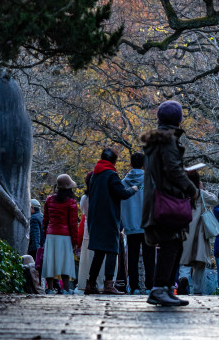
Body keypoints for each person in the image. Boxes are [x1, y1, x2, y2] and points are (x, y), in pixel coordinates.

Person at [141, 99, 198, 307]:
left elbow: (165, 168)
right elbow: (172, 170)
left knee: (174, 243)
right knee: (171, 243)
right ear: (179, 119)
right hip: (166, 199)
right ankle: (159, 289)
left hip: (157, 199)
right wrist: (191, 189)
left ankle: (164, 289)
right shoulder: (168, 140)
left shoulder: (156, 140)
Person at [85, 147, 138, 295]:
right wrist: (133, 189)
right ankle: (109, 285)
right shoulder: (111, 175)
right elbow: (122, 193)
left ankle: (91, 283)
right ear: (113, 161)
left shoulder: (95, 175)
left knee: (99, 252)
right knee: (112, 251)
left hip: (95, 218)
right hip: (108, 218)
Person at [178, 170, 218, 295]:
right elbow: (215, 200)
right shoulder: (201, 194)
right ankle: (198, 290)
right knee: (199, 264)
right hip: (200, 234)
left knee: (184, 262)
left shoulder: (181, 193)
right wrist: (202, 188)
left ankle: (183, 279)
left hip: (184, 232)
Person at [121, 152, 156, 294]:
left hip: (130, 224)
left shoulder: (123, 183)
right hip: (147, 224)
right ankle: (149, 286)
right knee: (150, 257)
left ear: (130, 164)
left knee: (132, 257)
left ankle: (134, 286)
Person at [42, 174, 79, 295]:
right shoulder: (71, 202)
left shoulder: (49, 199)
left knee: (50, 261)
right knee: (65, 261)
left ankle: (50, 288)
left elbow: (45, 220)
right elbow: (73, 224)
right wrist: (75, 241)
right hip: (65, 236)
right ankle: (66, 289)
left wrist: (45, 235)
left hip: (51, 235)